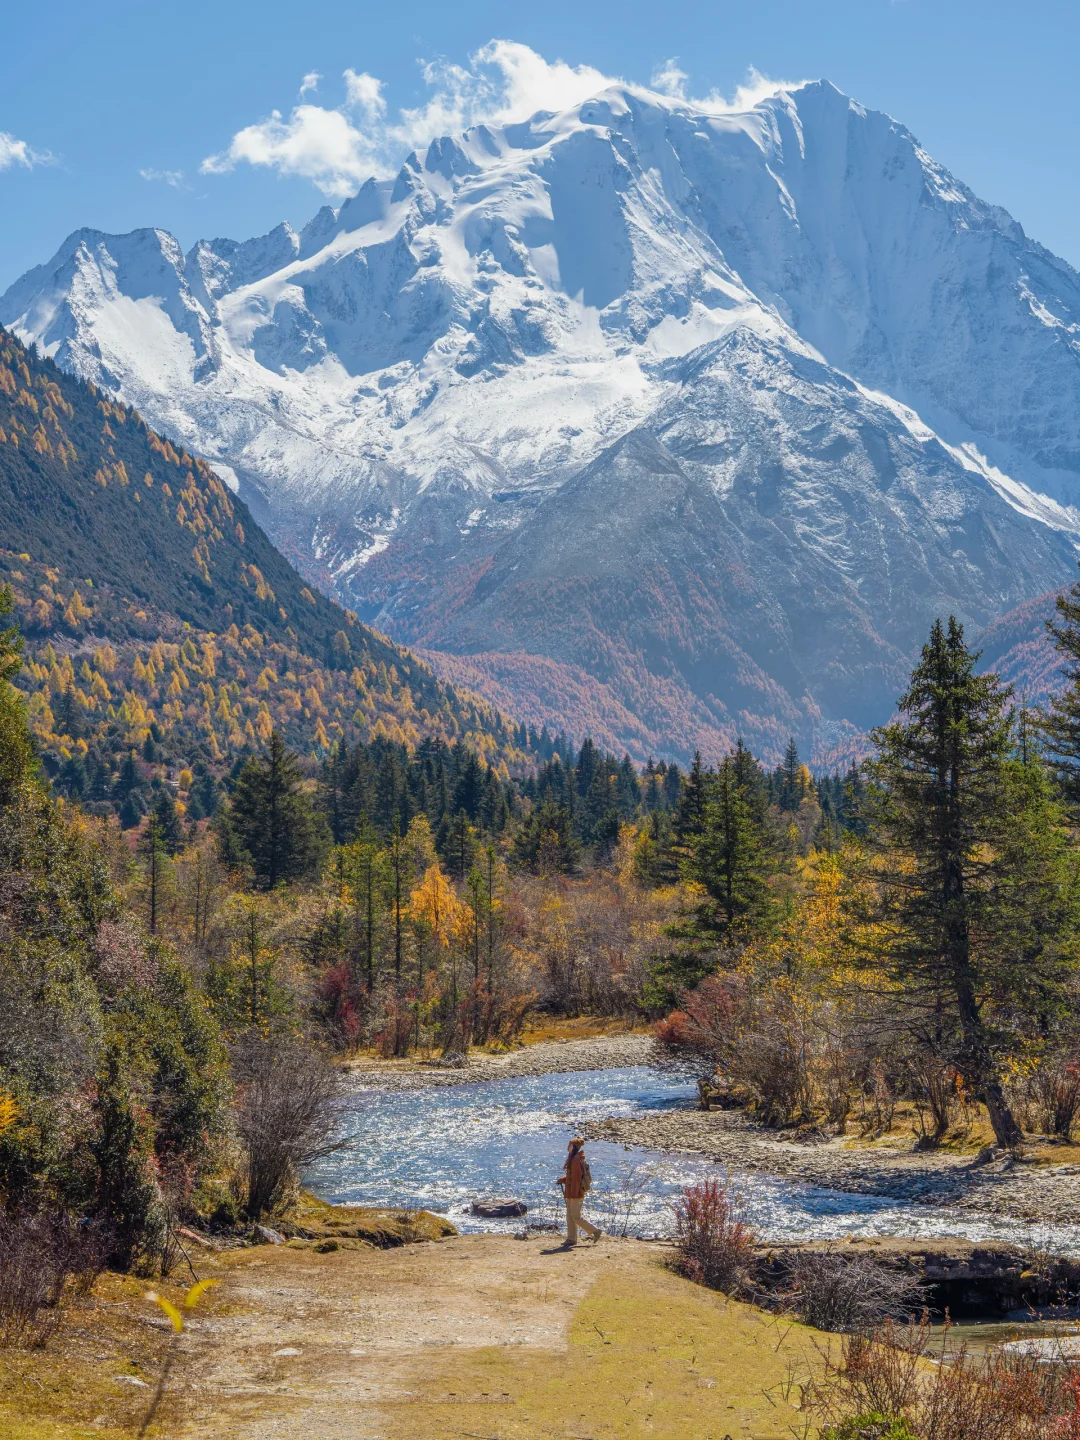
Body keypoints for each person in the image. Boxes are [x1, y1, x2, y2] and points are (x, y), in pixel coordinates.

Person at [556, 1137, 602, 1246]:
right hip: (572, 1192)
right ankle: (571, 1239)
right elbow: (572, 1176)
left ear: (574, 1147)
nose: (568, 1146)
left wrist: (574, 1193)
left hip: (575, 1193)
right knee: (570, 1216)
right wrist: (563, 1179)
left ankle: (595, 1231)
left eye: (570, 1145)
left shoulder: (576, 1159)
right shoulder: (574, 1158)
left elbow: (576, 1178)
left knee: (575, 1217)